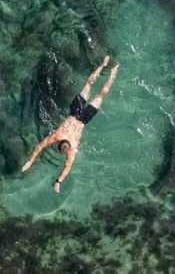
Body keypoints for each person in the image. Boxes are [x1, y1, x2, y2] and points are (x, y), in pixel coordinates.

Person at [21, 55, 119, 193]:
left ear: (64, 148)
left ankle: (108, 67)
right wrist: (57, 182)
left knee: (97, 92)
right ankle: (110, 69)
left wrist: (32, 162)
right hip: (77, 115)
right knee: (92, 88)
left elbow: (42, 149)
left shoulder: (65, 143)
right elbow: (47, 153)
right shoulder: (58, 137)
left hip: (81, 116)